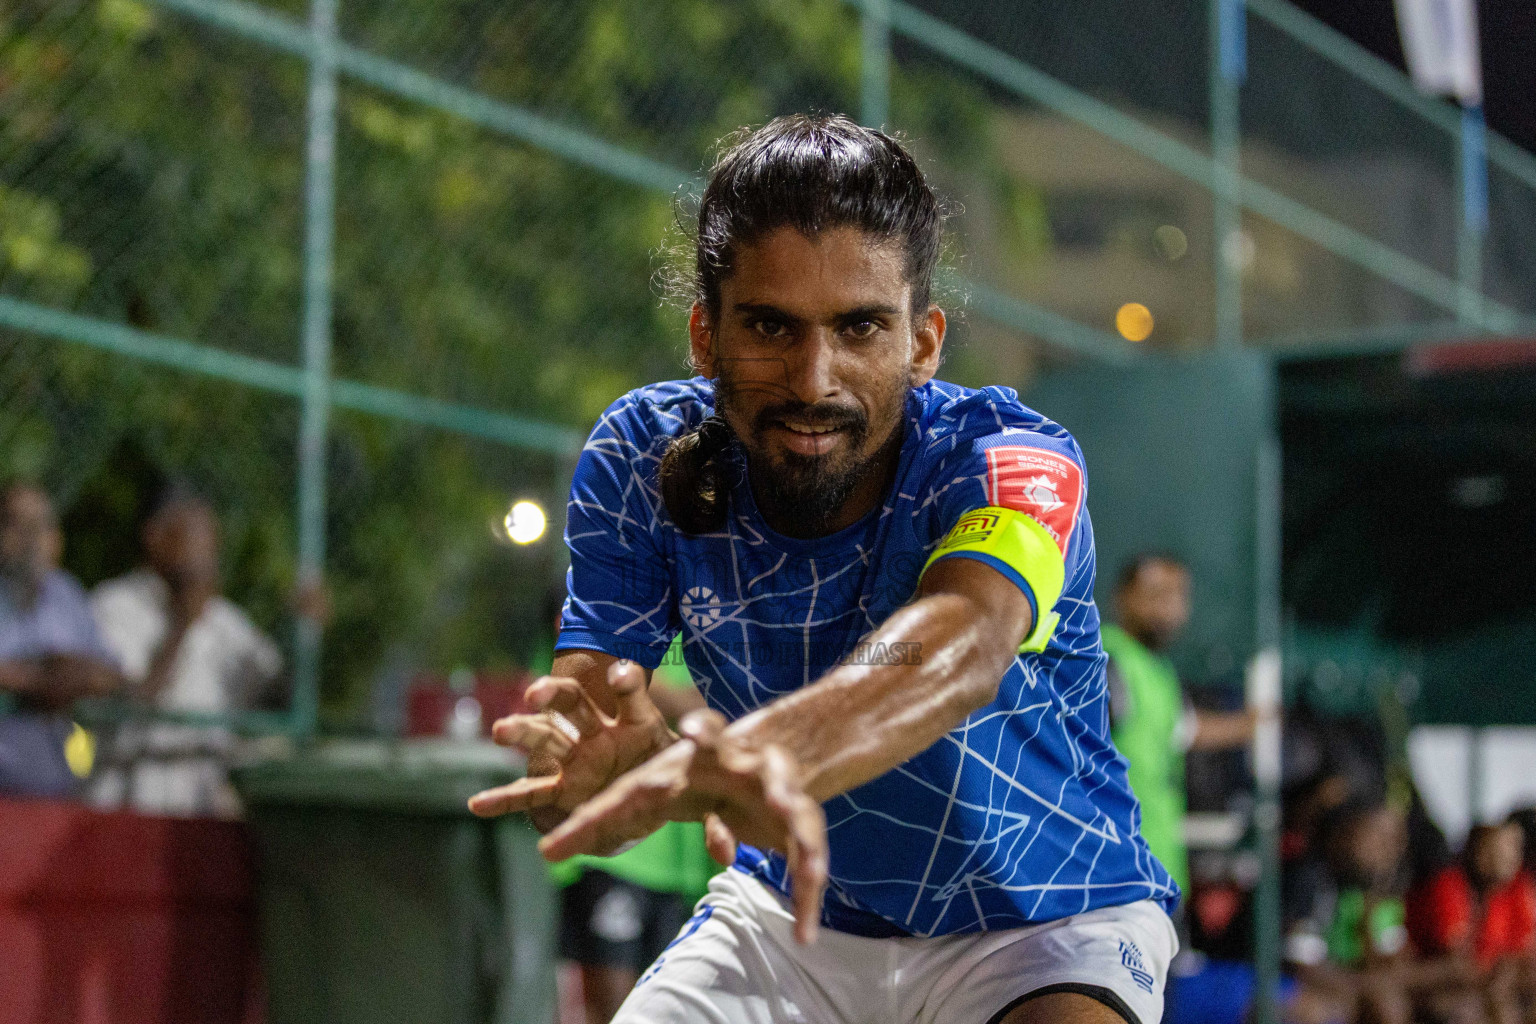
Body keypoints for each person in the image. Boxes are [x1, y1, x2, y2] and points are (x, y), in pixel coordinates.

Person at [468, 114, 1178, 1024]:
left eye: (859, 328)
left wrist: (765, 753)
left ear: (922, 342)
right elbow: (600, 697)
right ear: (705, 335)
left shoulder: (1012, 459)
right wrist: (609, 749)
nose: (814, 378)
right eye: (769, 325)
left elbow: (961, 643)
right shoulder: (643, 453)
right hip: (793, 919)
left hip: (1041, 923)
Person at [550, 636, 718, 1024]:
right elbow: (616, 675)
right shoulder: (608, 595)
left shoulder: (704, 613)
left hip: (683, 865)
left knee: (672, 1011)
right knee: (617, 1012)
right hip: (614, 858)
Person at [88, 486, 283, 818]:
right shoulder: (113, 606)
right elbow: (132, 701)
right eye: (198, 532)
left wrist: (298, 631)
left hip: (203, 809)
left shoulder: (226, 620)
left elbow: (275, 694)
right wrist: (182, 625)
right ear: (155, 536)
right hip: (127, 807)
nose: (211, 549)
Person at [1102, 554, 1258, 896]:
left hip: (1161, 867)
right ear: (1122, 597)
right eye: (1158, 595)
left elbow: (1186, 729)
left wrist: (1253, 723)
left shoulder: (1160, 672)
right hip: (1115, 872)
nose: (1170, 609)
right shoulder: (1103, 657)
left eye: (1178, 596)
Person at [0, 480, 121, 796]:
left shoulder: (66, 593)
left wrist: (63, 673)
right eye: (18, 524)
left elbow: (108, 674)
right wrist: (39, 678)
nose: (32, 538)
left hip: (56, 787)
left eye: (41, 525)